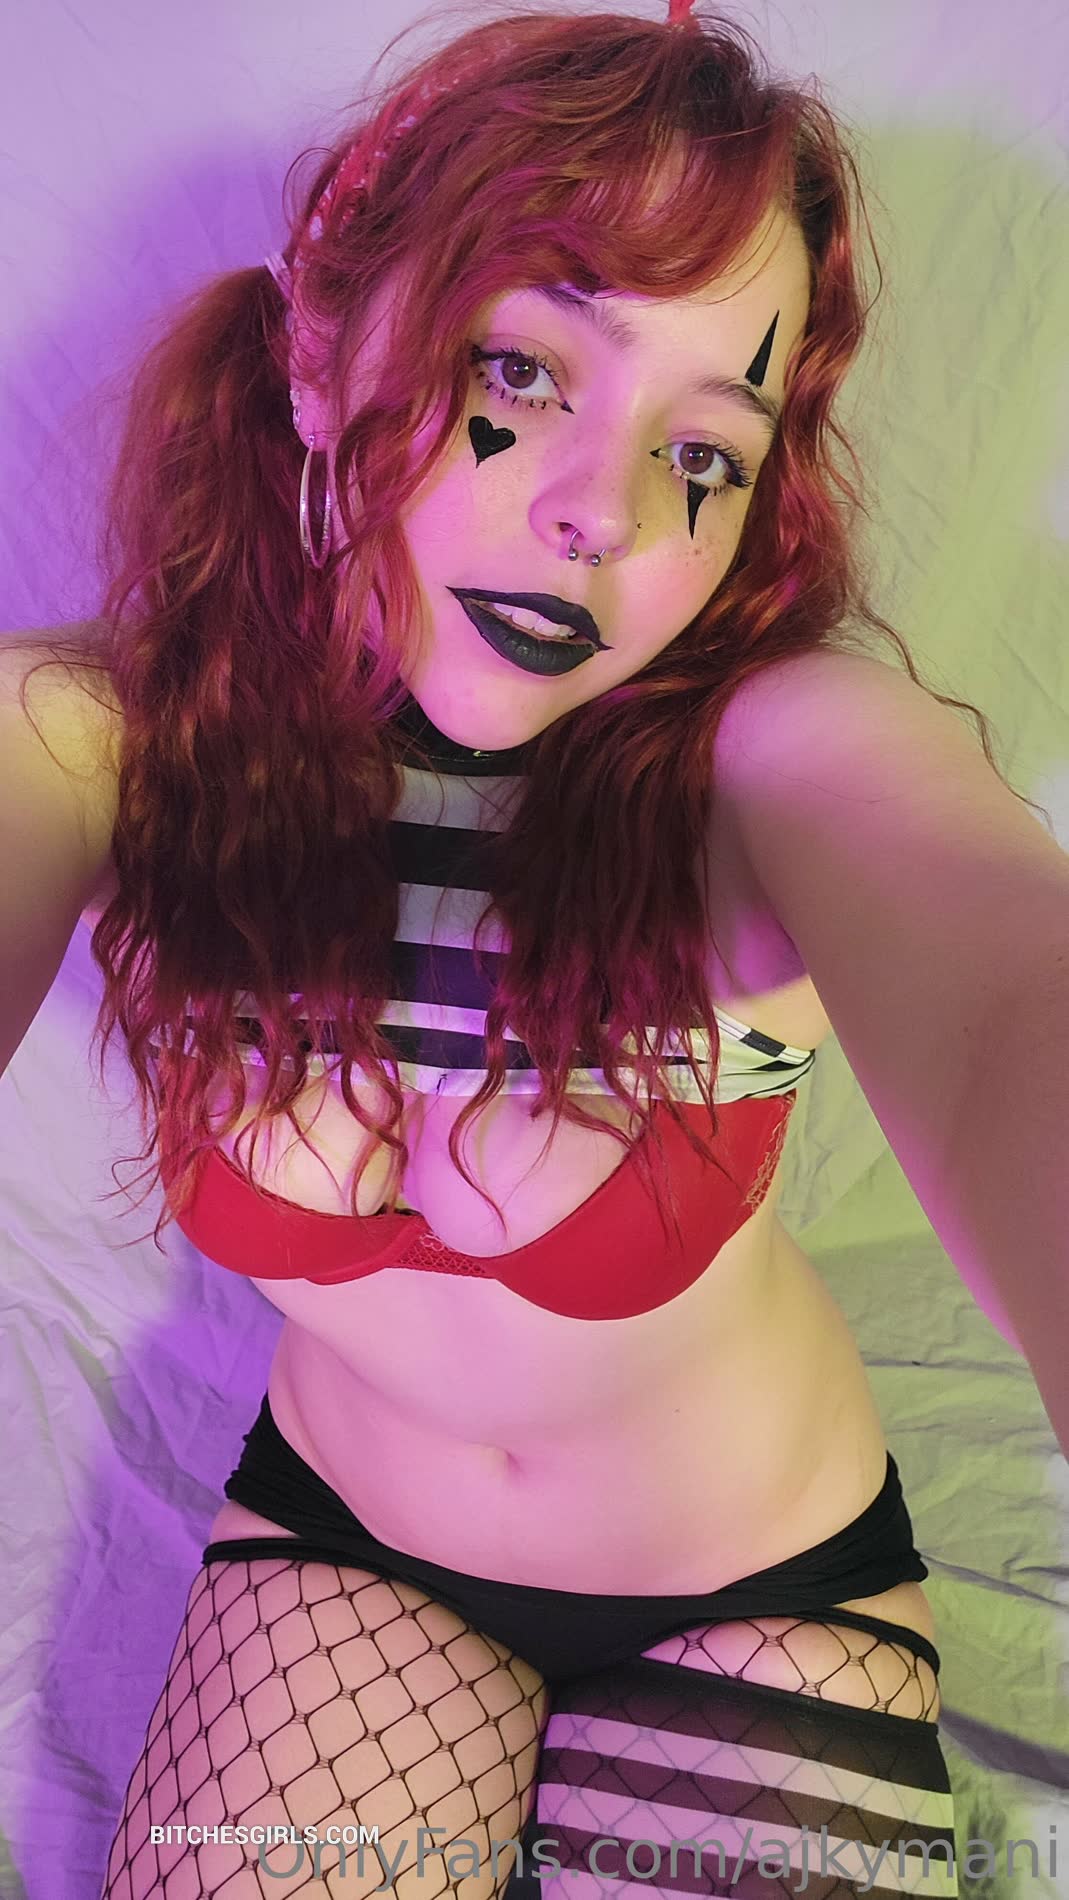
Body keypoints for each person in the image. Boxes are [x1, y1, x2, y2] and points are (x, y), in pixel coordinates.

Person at [3, 4, 1067, 1896]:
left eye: (705, 450)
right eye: (520, 366)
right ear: (320, 354)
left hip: (755, 1587)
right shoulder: (112, 746)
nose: (606, 511)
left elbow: (1005, 1001)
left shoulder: (769, 758)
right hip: (343, 1552)